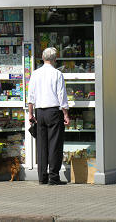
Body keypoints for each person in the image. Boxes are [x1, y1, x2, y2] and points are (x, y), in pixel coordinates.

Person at [28, 47, 70, 185]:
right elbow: (61, 95)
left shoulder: (35, 73)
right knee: (54, 144)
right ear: (55, 59)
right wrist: (65, 113)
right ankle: (53, 177)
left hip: (40, 112)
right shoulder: (57, 74)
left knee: (41, 145)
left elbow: (31, 96)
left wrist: (30, 113)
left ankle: (42, 177)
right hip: (53, 112)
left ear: (42, 58)